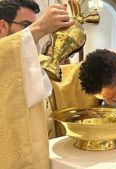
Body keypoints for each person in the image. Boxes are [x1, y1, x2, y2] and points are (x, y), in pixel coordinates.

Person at [0, 0, 73, 168]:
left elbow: (67, 78)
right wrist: (39, 28)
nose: (33, 34)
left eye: (34, 25)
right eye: (26, 25)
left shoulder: (32, 59)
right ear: (2, 26)